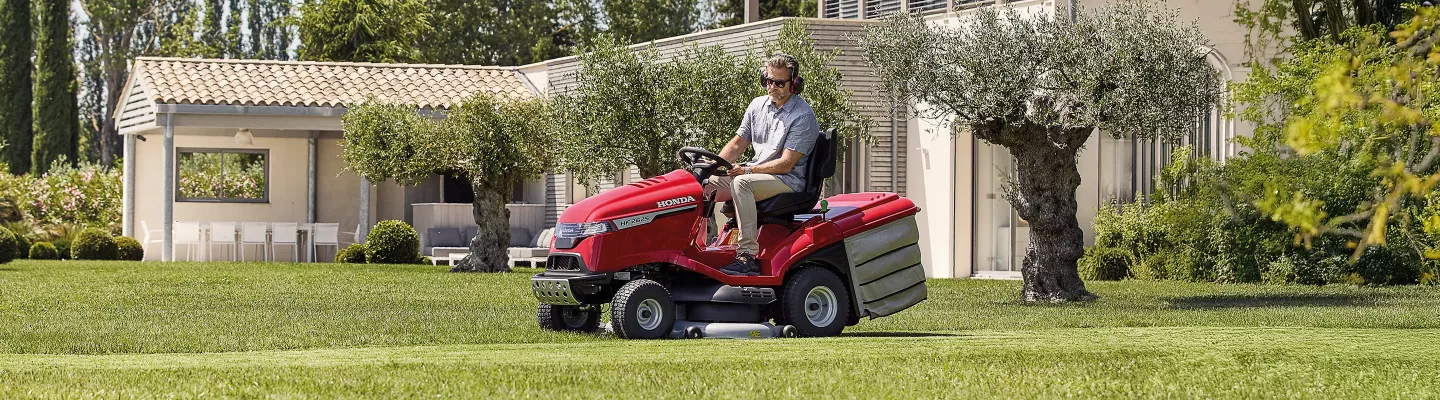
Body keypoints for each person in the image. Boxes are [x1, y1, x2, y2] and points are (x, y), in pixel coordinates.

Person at [705, 54, 821, 276]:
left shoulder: (803, 116)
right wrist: (711, 166)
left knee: (742, 184)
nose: (773, 87)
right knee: (703, 185)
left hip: (788, 181)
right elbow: (738, 143)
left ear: (795, 84)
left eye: (780, 83)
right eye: (768, 81)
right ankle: (698, 245)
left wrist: (747, 170)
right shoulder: (757, 106)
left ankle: (747, 256)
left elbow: (786, 164)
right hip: (757, 173)